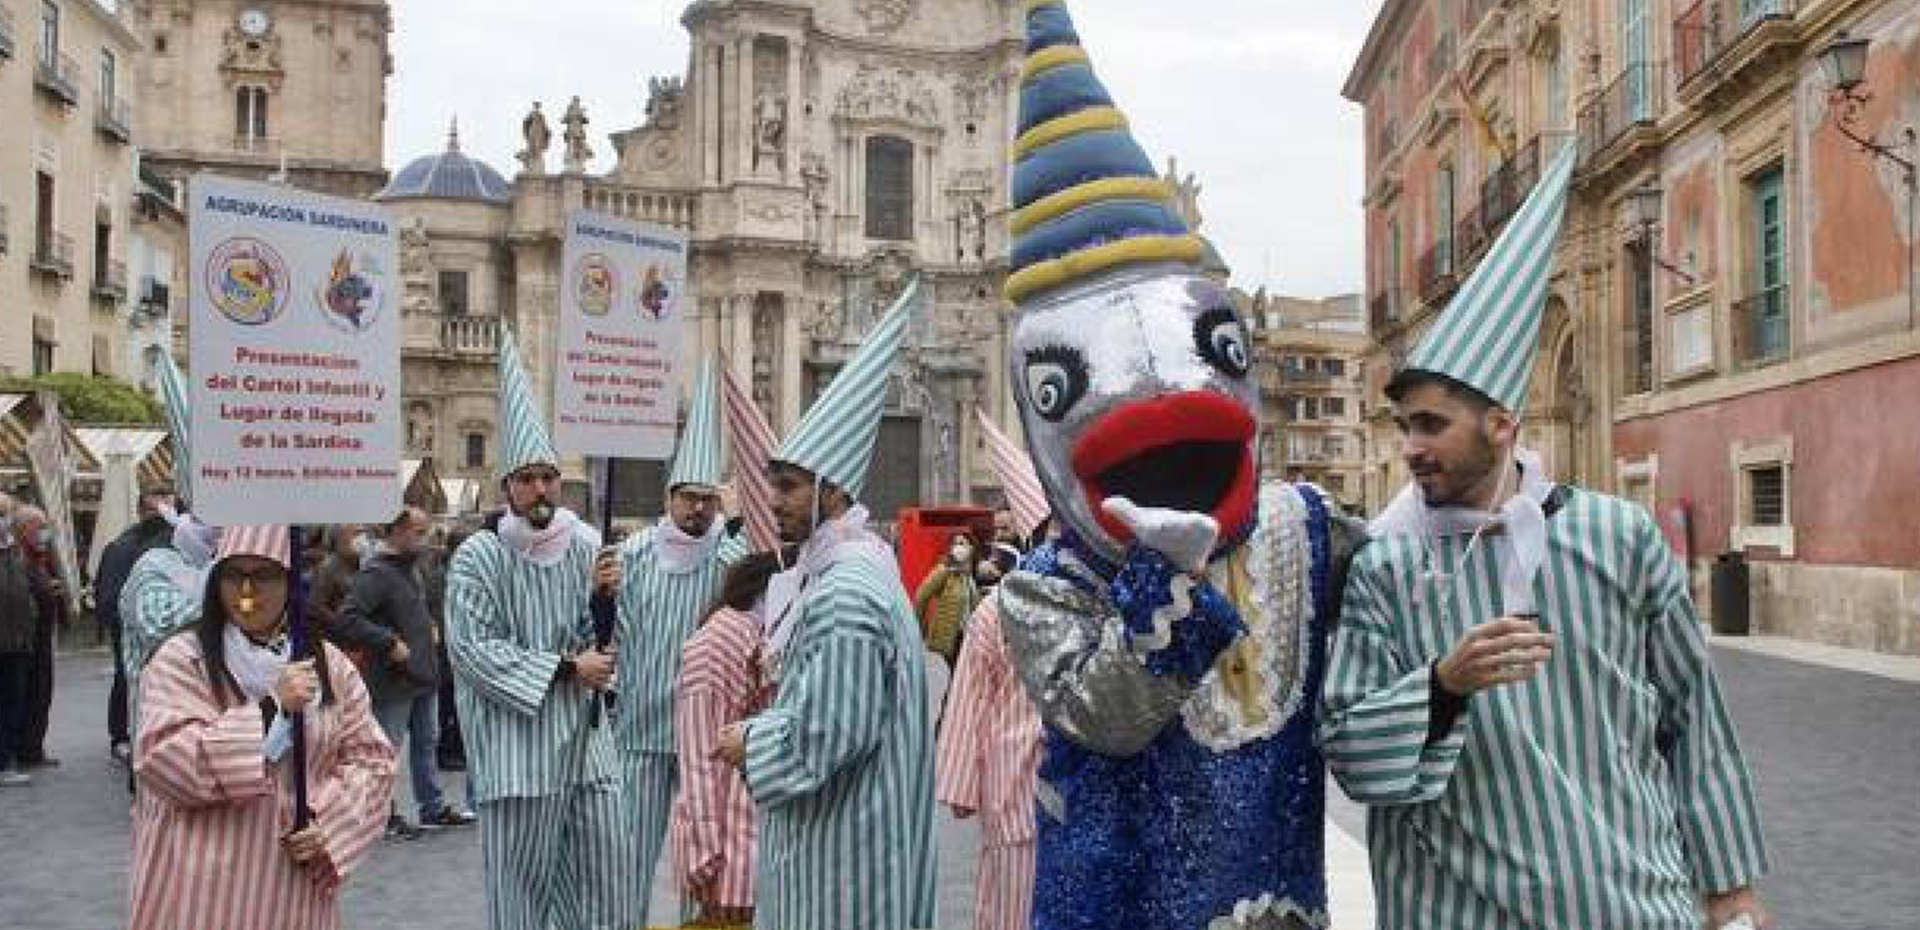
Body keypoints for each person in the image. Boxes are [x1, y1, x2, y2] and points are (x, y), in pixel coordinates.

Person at [1318, 142, 1772, 930]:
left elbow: (1693, 717)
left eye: (1431, 424)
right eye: (1403, 426)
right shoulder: (1384, 567)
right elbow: (1349, 749)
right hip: (1454, 911)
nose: (1410, 447)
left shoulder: (1619, 536)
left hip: (1631, 903)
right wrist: (1442, 684)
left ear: (1501, 425)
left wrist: (1729, 889)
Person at [991, 5, 1362, 926]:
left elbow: (1413, 602)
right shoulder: (1043, 586)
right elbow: (1111, 718)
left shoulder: (1306, 529)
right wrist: (1163, 572)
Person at [714, 279, 936, 930]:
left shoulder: (844, 594)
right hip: (852, 848)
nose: (773, 500)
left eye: (787, 487)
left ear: (832, 490)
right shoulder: (855, 569)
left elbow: (827, 733)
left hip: (846, 867)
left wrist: (748, 740)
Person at [443, 332, 639, 930]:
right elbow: (473, 651)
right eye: (527, 479)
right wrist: (563, 669)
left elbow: (607, 644)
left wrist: (607, 602)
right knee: (522, 895)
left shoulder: (586, 544)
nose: (540, 489)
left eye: (548, 478)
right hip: (516, 755)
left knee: (609, 882)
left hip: (587, 750)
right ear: (508, 487)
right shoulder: (478, 556)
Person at [127, 524, 395, 930]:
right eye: (234, 575)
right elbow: (164, 760)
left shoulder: (329, 666)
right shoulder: (182, 659)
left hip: (287, 894)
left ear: (290, 584)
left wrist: (327, 823)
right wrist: (271, 709)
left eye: (264, 576)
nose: (246, 592)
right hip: (195, 891)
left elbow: (372, 761)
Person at [610, 360, 747, 918]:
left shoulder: (730, 556)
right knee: (628, 857)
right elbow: (610, 632)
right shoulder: (632, 556)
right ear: (669, 496)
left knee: (702, 854)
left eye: (706, 498)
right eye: (688, 496)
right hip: (640, 728)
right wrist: (600, 597)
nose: (697, 507)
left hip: (705, 738)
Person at [331, 506, 476, 838]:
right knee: (385, 749)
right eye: (418, 531)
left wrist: (430, 626)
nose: (424, 539)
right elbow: (348, 618)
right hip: (393, 678)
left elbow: (410, 608)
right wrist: (387, 642)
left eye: (425, 532)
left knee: (427, 742)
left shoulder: (413, 567)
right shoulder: (376, 573)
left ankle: (432, 807)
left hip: (423, 673)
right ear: (395, 531)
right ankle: (381, 814)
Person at [669, 549, 786, 926]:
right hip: (730, 858)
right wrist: (704, 856)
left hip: (763, 846)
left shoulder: (767, 631)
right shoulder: (719, 642)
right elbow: (700, 757)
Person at [936, 593, 1043, 930]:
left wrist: (961, 782)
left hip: (1015, 786)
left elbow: (973, 691)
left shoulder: (1000, 603)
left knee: (1011, 911)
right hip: (1083, 792)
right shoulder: (1116, 594)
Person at [95, 484, 180, 764]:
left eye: (171, 509)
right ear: (142, 511)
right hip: (132, 630)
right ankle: (120, 737)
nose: (168, 516)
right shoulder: (123, 547)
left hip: (158, 632)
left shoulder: (173, 542)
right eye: (160, 510)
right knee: (127, 680)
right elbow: (109, 595)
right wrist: (126, 625)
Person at [10, 505, 65, 771]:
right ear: (23, 529)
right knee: (27, 696)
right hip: (27, 640)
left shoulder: (40, 556)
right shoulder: (18, 558)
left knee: (41, 694)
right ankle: (24, 750)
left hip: (41, 639)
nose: (44, 532)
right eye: (39, 526)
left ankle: (33, 749)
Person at [0, 507, 39, 786]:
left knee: (14, 701)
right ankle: (4, 762)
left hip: (17, 641)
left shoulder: (13, 552)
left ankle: (9, 757)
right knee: (7, 702)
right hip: (6, 641)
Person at [913, 533, 980, 669]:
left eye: (962, 543)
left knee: (961, 678)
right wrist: (922, 628)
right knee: (954, 676)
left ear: (971, 548)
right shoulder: (944, 571)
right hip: (950, 638)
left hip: (968, 637)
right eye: (955, 544)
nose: (958, 547)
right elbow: (920, 597)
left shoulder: (969, 575)